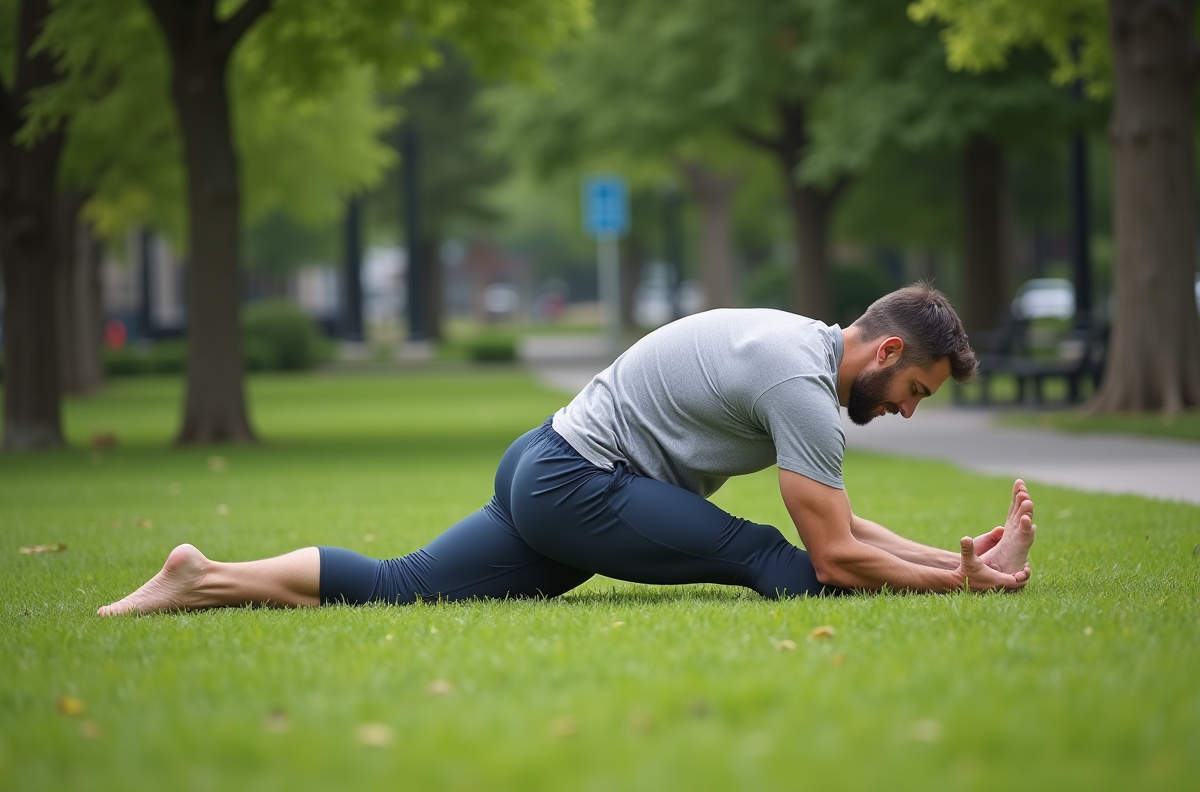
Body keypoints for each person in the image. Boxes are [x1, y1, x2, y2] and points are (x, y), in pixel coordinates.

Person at [97, 282, 1035, 617]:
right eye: (914, 391)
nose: (909, 411)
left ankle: (201, 576)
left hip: (542, 464)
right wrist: (957, 586)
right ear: (885, 352)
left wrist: (963, 552)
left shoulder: (802, 355)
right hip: (577, 481)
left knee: (398, 587)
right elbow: (830, 556)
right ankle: (201, 577)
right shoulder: (799, 381)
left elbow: (844, 522)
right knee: (766, 560)